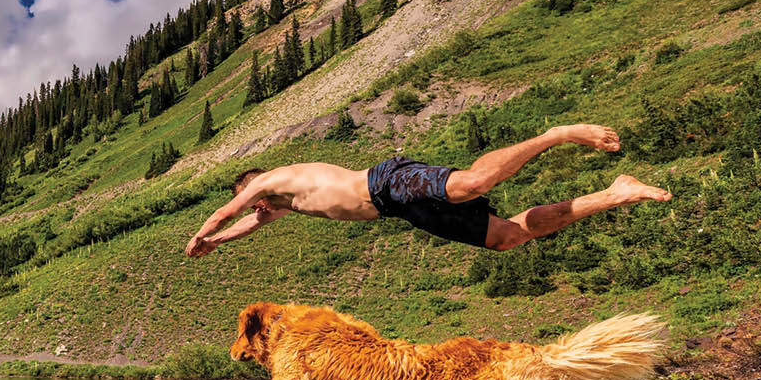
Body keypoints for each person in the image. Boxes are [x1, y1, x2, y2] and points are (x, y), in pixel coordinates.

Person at [184, 124, 672, 257]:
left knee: (473, 184)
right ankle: (616, 192)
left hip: (388, 181)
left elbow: (232, 211)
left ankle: (558, 133)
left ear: (256, 187)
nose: (261, 208)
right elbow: (247, 224)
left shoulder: (272, 181)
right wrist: (217, 245)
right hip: (401, 210)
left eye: (259, 201)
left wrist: (201, 233)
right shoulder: (282, 205)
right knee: (507, 238)